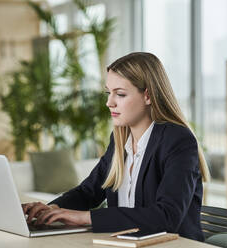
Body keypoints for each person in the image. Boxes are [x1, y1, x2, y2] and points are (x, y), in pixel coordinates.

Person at [22, 52, 210, 241]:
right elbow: (89, 191)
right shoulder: (120, 139)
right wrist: (52, 209)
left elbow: (166, 217)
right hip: (123, 243)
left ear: (148, 96)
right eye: (108, 93)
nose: (109, 102)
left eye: (120, 94)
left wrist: (86, 218)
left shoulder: (177, 140)